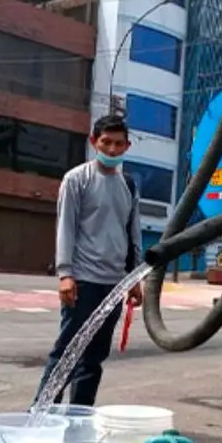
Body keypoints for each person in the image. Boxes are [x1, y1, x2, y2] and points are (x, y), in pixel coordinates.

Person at [33, 115, 143, 406]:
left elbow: (133, 233)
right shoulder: (76, 179)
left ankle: (79, 416)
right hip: (82, 280)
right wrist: (65, 274)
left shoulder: (129, 186)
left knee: (94, 357)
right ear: (94, 142)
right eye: (106, 142)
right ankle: (41, 413)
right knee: (68, 351)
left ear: (127, 146)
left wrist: (134, 278)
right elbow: (66, 227)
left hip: (114, 284)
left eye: (119, 144)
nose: (111, 149)